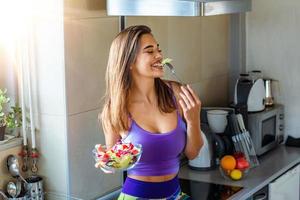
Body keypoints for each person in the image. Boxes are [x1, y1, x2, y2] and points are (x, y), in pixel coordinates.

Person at [100, 25, 203, 200]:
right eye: (150, 51)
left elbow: (193, 153)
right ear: (130, 61)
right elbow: (113, 160)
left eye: (158, 49)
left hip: (175, 194)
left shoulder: (175, 93)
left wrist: (194, 120)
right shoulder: (116, 108)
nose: (159, 56)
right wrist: (107, 162)